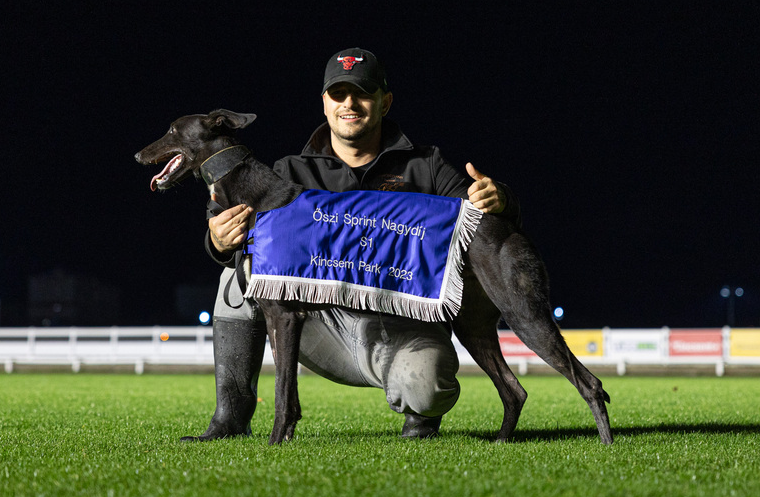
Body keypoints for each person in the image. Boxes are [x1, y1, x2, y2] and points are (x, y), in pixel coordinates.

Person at [186, 47, 519, 441]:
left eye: (362, 93)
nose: (349, 104)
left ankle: (419, 415)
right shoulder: (291, 172)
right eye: (338, 94)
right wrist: (220, 241)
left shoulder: (426, 165)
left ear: (384, 102)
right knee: (241, 275)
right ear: (324, 103)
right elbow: (234, 239)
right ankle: (230, 418)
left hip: (402, 326)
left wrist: (501, 199)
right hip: (322, 325)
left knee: (426, 387)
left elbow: (477, 224)